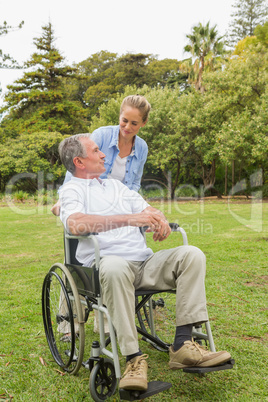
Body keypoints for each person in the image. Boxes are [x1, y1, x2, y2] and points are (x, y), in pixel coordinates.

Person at [58, 134, 231, 391]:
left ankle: (183, 344)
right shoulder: (72, 190)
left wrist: (158, 219)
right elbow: (75, 223)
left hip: (144, 262)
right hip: (109, 267)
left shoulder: (116, 187)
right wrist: (129, 219)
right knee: (115, 266)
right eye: (97, 150)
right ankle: (133, 359)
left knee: (191, 254)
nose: (104, 154)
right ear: (80, 161)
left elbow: (147, 210)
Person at [51, 94, 150, 216]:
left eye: (134, 123)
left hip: (119, 203)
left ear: (143, 123)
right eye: (124, 121)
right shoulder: (102, 135)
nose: (127, 127)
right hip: (94, 200)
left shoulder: (142, 148)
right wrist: (64, 198)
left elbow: (135, 183)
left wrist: (128, 204)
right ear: (119, 116)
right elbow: (77, 164)